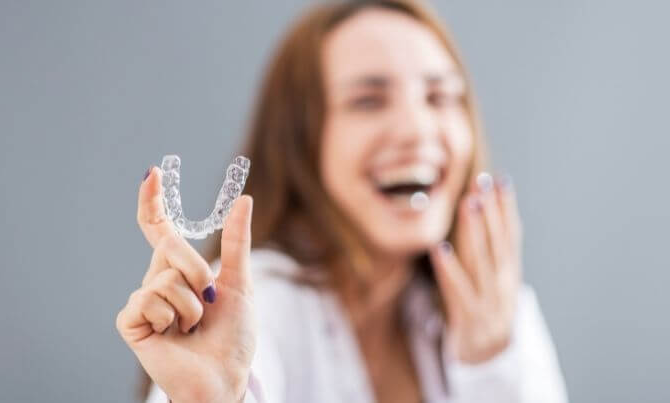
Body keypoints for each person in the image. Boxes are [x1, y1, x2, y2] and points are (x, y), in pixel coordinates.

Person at [116, 1, 568, 402]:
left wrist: (493, 363)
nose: (417, 129)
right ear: (302, 143)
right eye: (368, 100)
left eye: (440, 96)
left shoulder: (497, 309)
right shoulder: (248, 308)